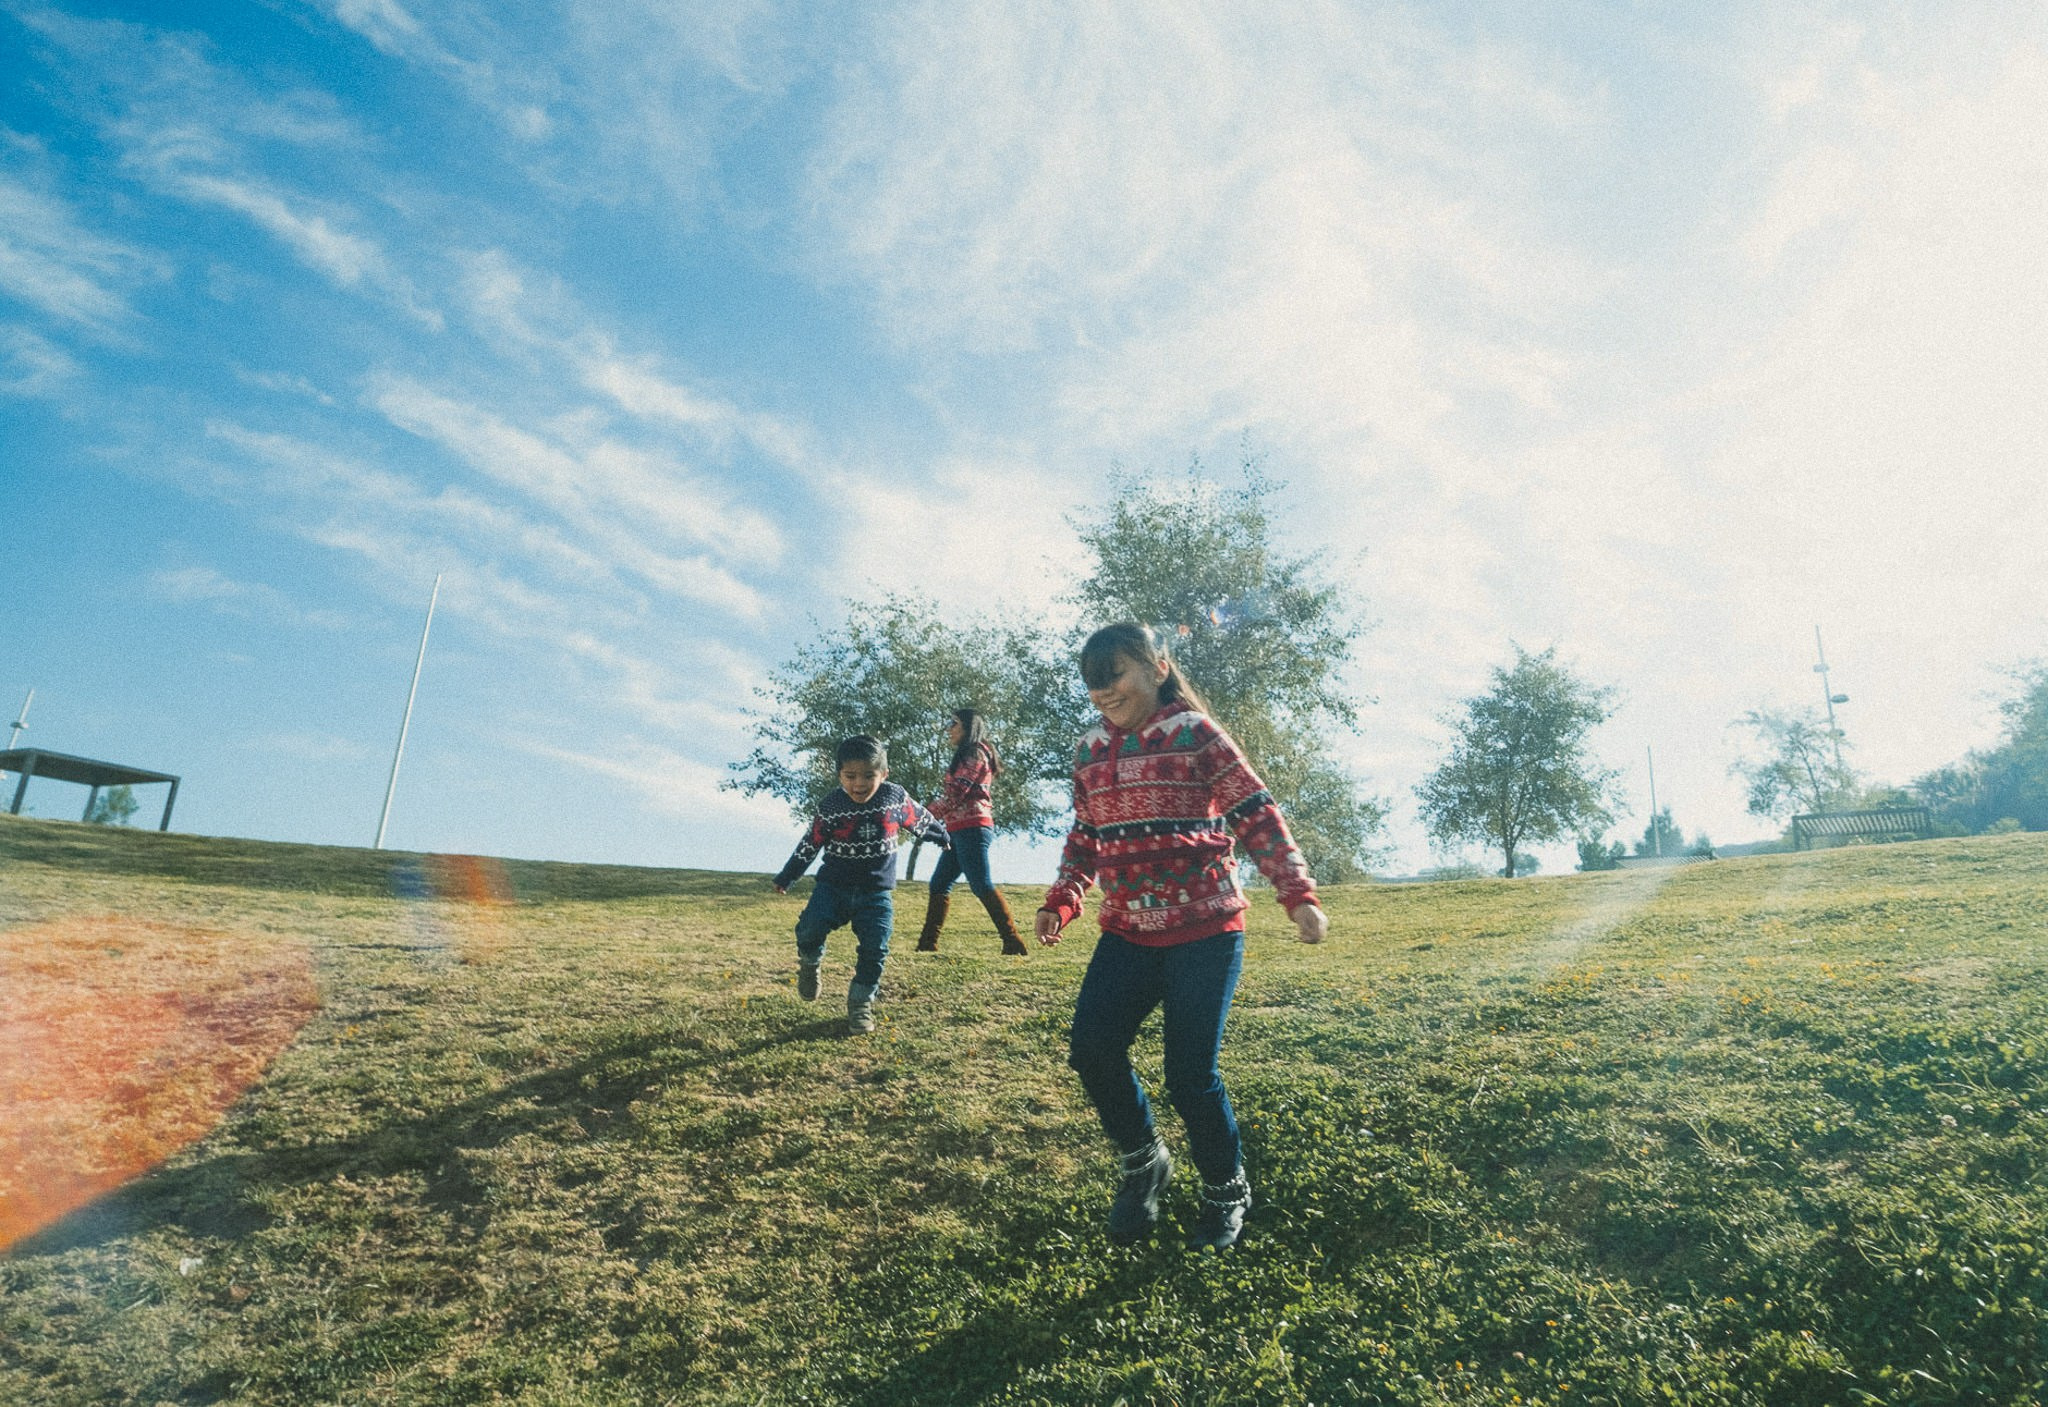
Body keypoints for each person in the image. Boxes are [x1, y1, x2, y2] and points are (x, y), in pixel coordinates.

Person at [1035, 623, 1328, 1251]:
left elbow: (1255, 812)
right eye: (1091, 681)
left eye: (1114, 674)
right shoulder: (1089, 749)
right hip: (1127, 933)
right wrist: (1064, 897)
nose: (1102, 690)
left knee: (1189, 1074)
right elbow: (1086, 833)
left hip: (1206, 930)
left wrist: (1296, 893)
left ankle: (1226, 1190)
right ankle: (1145, 1161)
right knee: (1092, 1048)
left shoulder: (1197, 734)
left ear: (1158, 667)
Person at [774, 735, 949, 1034]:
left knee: (875, 947)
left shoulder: (894, 797)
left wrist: (942, 836)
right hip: (833, 887)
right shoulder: (831, 806)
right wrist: (788, 875)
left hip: (876, 893)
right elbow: (811, 842)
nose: (859, 784)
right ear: (839, 775)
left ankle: (860, 1003)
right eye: (850, 776)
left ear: (884, 774)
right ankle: (810, 962)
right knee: (810, 927)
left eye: (869, 775)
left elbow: (920, 819)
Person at [916, 708, 1029, 956]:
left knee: (980, 883)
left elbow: (957, 793)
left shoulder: (975, 753)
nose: (948, 728)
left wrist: (920, 816)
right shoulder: (969, 754)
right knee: (939, 883)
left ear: (968, 727)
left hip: (972, 829)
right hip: (958, 830)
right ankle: (926, 945)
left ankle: (1013, 941)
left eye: (953, 723)